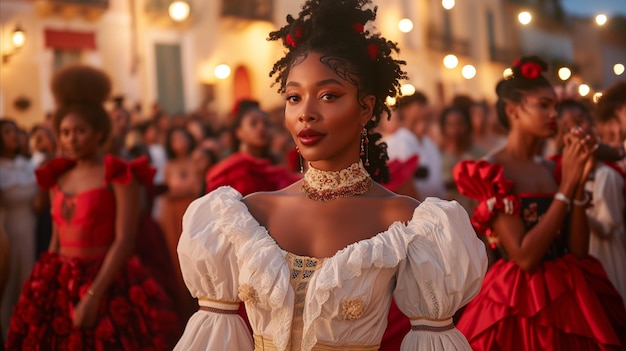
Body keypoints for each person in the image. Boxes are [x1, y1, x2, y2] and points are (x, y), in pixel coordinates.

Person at [174, 1, 487, 350]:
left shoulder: (408, 223)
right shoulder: (247, 216)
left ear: (366, 107)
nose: (306, 113)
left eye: (328, 96)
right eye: (294, 97)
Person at [454, 56, 626, 349]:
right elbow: (525, 257)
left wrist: (578, 186)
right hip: (517, 301)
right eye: (543, 105)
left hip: (572, 292)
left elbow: (578, 249)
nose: (553, 115)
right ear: (513, 111)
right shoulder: (493, 170)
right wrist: (567, 188)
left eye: (555, 107)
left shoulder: (552, 168)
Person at [6, 65, 180, 350]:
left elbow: (125, 240)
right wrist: (43, 288)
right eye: (64, 132)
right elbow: (56, 238)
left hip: (107, 279)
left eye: (79, 131)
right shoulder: (57, 175)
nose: (71, 139)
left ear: (98, 133)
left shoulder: (119, 174)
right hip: (58, 279)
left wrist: (94, 295)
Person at [205, 99, 300, 196]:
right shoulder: (230, 169)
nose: (261, 128)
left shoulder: (277, 162)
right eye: (253, 123)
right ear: (239, 132)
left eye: (266, 124)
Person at [0, 119, 38, 341]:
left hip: (31, 230)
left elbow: (38, 203)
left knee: (28, 281)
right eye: (6, 132)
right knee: (9, 283)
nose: (13, 135)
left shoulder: (27, 165)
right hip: (8, 232)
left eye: (14, 131)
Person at [399, 93, 447, 200]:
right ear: (405, 111)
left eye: (424, 105)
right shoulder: (398, 142)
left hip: (438, 205)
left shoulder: (428, 142)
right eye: (419, 106)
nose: (422, 110)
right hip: (415, 207)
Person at [439, 106, 484, 213]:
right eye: (450, 125)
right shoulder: (438, 157)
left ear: (468, 125)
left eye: (460, 124)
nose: (456, 129)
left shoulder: (482, 156)